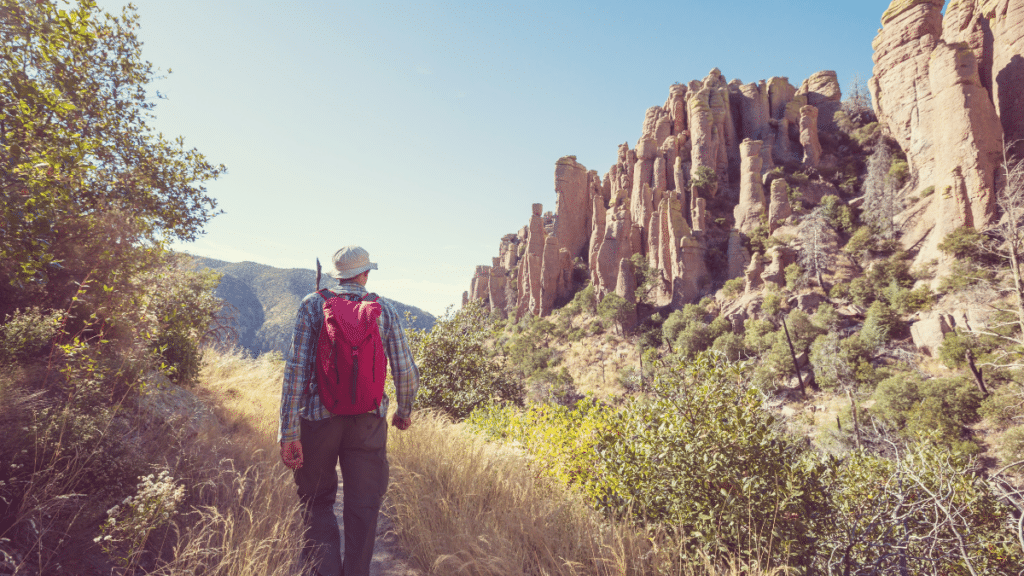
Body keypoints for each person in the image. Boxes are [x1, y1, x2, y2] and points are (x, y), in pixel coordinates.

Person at [278, 245, 419, 576]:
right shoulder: (384, 309)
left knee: (317, 501)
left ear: (336, 275)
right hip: (368, 421)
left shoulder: (312, 305)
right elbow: (406, 371)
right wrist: (404, 410)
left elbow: (295, 372)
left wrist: (289, 432)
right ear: (366, 274)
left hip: (318, 420)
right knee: (364, 504)